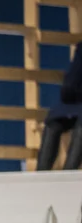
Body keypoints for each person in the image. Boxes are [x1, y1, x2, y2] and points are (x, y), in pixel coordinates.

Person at [37, 42, 82, 171]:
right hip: (76, 99)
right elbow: (72, 78)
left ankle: (69, 172)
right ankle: (41, 173)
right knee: (53, 122)